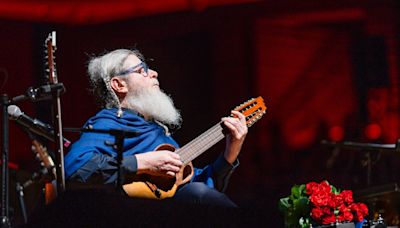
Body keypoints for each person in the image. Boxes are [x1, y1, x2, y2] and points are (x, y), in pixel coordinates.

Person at [64, 48, 248, 207]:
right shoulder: (107, 123)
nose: (153, 73)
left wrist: (231, 151)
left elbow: (197, 191)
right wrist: (143, 163)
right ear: (119, 85)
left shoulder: (157, 131)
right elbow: (75, 168)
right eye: (141, 70)